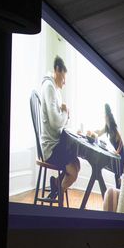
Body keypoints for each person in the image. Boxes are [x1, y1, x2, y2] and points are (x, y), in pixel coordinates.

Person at [40, 55, 80, 201]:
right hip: (50, 148)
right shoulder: (49, 87)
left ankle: (56, 184)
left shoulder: (55, 90)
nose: (64, 83)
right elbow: (56, 122)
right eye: (63, 79)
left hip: (55, 144)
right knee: (74, 173)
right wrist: (65, 112)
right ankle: (57, 196)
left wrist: (64, 113)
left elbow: (60, 121)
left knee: (77, 163)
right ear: (57, 70)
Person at [87, 103, 124, 188]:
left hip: (121, 154)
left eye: (105, 115)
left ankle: (120, 196)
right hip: (118, 153)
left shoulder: (113, 128)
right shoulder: (107, 127)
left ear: (108, 117)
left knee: (119, 176)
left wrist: (117, 152)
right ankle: (118, 195)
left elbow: (121, 142)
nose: (103, 116)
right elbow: (99, 132)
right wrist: (92, 132)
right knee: (116, 175)